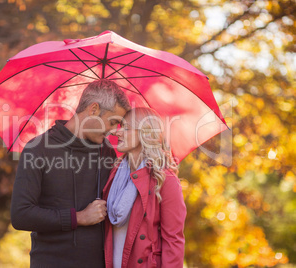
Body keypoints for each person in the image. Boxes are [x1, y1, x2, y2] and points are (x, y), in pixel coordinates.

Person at [11, 79, 131, 268]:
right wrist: (79, 217)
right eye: (113, 122)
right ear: (93, 109)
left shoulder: (106, 152)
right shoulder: (38, 149)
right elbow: (21, 215)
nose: (114, 131)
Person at [103, 107, 187, 268]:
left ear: (145, 133)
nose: (117, 133)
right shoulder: (114, 173)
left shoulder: (165, 179)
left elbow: (173, 241)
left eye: (126, 128)